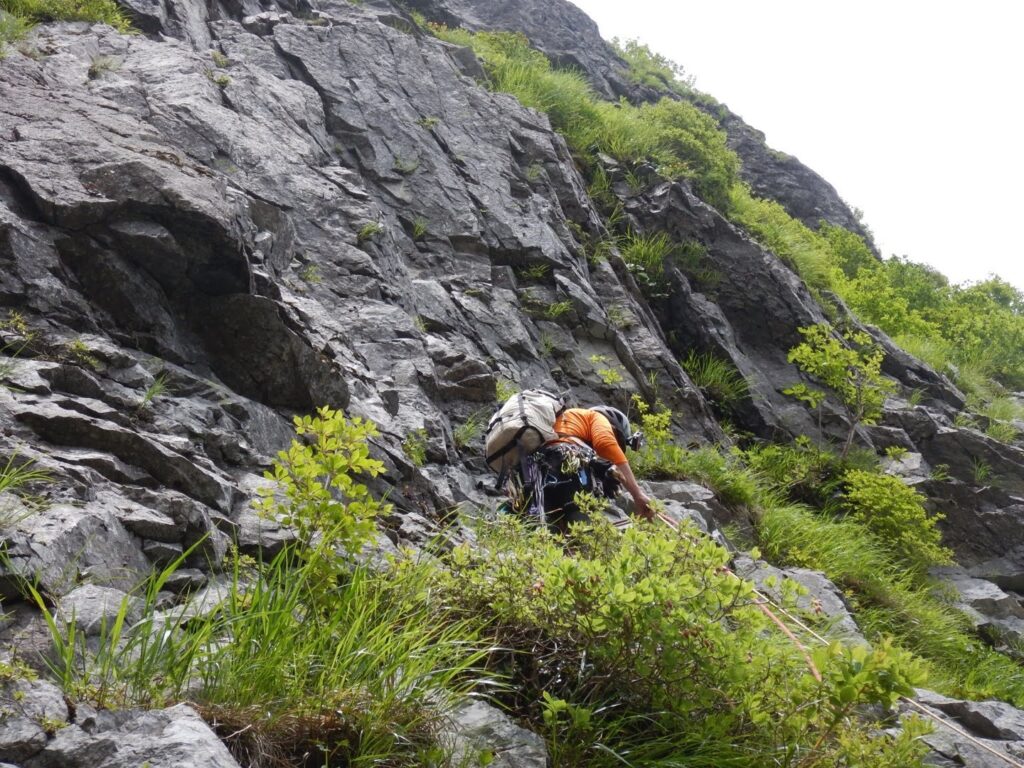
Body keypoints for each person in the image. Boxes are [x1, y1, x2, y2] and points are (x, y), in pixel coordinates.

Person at [514, 405, 653, 533]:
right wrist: (638, 494)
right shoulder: (596, 417)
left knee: (553, 533)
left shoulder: (565, 422)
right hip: (566, 464)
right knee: (584, 532)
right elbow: (605, 444)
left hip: (536, 475)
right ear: (615, 428)